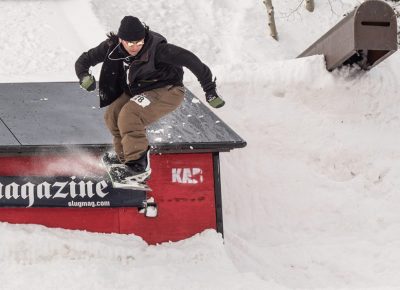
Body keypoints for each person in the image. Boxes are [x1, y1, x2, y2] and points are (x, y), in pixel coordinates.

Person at [75, 16, 224, 181]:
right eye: (130, 43)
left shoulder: (159, 49)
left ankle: (138, 165)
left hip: (168, 89)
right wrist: (83, 76)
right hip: (140, 90)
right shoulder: (111, 46)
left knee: (130, 114)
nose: (135, 47)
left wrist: (209, 90)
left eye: (139, 43)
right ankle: (125, 159)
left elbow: (192, 61)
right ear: (121, 39)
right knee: (112, 115)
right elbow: (84, 60)